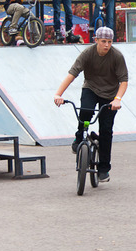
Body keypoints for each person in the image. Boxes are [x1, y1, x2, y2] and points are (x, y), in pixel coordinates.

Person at [53, 27, 128, 182]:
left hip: (110, 95)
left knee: (106, 130)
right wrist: (58, 94)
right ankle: (79, 136)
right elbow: (72, 74)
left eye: (109, 42)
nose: (106, 45)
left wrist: (118, 99)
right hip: (91, 88)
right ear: (96, 41)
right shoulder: (88, 54)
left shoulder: (117, 56)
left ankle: (103, 168)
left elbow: (124, 81)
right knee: (86, 111)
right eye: (103, 42)